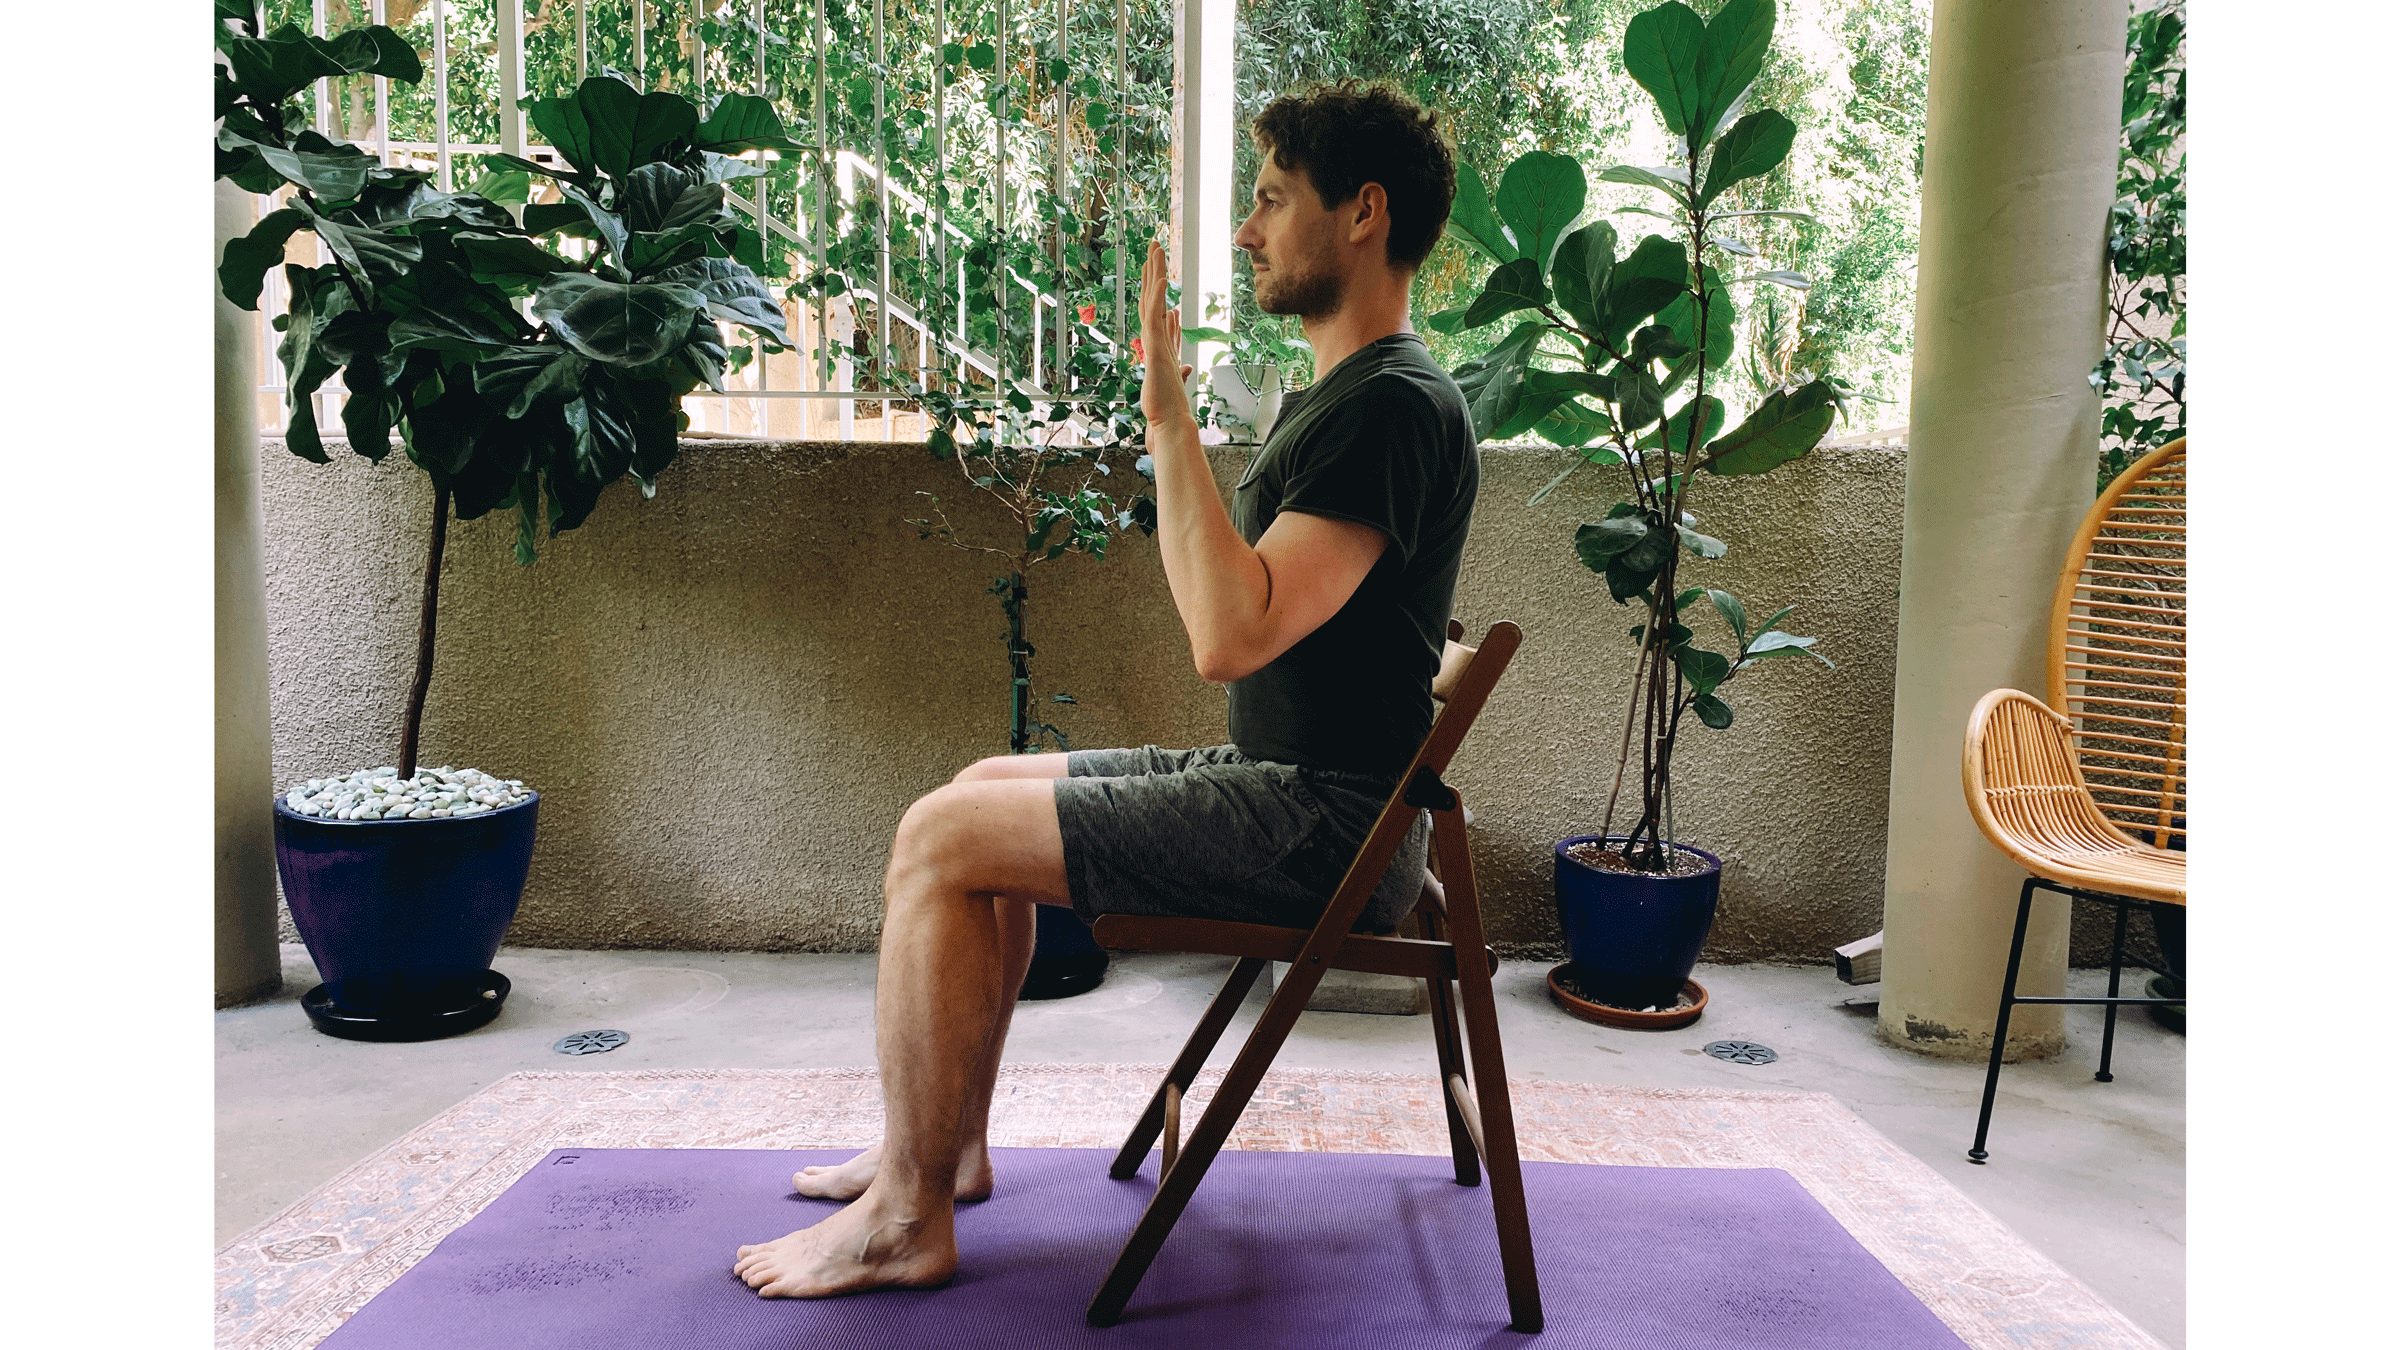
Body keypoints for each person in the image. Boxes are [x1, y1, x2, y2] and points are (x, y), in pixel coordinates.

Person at [733, 79, 1477, 1299]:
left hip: (1323, 823)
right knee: (978, 785)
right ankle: (948, 1151)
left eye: (1273, 199)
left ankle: (907, 1216)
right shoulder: (1354, 397)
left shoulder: (1391, 406)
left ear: (1364, 214)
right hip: (1295, 789)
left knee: (937, 839)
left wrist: (1167, 417)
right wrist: (1168, 415)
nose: (1246, 230)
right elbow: (1244, 611)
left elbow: (1227, 633)